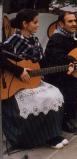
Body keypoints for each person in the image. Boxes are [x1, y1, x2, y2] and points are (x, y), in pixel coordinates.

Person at [2, 9, 69, 149]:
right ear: (25, 24)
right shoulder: (13, 40)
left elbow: (43, 63)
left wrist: (66, 66)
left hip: (32, 82)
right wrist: (19, 70)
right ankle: (39, 138)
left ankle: (52, 135)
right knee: (41, 98)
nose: (38, 25)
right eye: (35, 22)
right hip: (14, 85)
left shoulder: (35, 41)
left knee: (55, 93)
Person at [44, 11, 77, 133]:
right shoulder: (56, 38)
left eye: (75, 21)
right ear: (61, 24)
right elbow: (56, 57)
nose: (73, 24)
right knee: (74, 87)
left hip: (73, 70)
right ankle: (64, 120)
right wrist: (72, 60)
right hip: (59, 74)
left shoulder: (74, 35)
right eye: (70, 21)